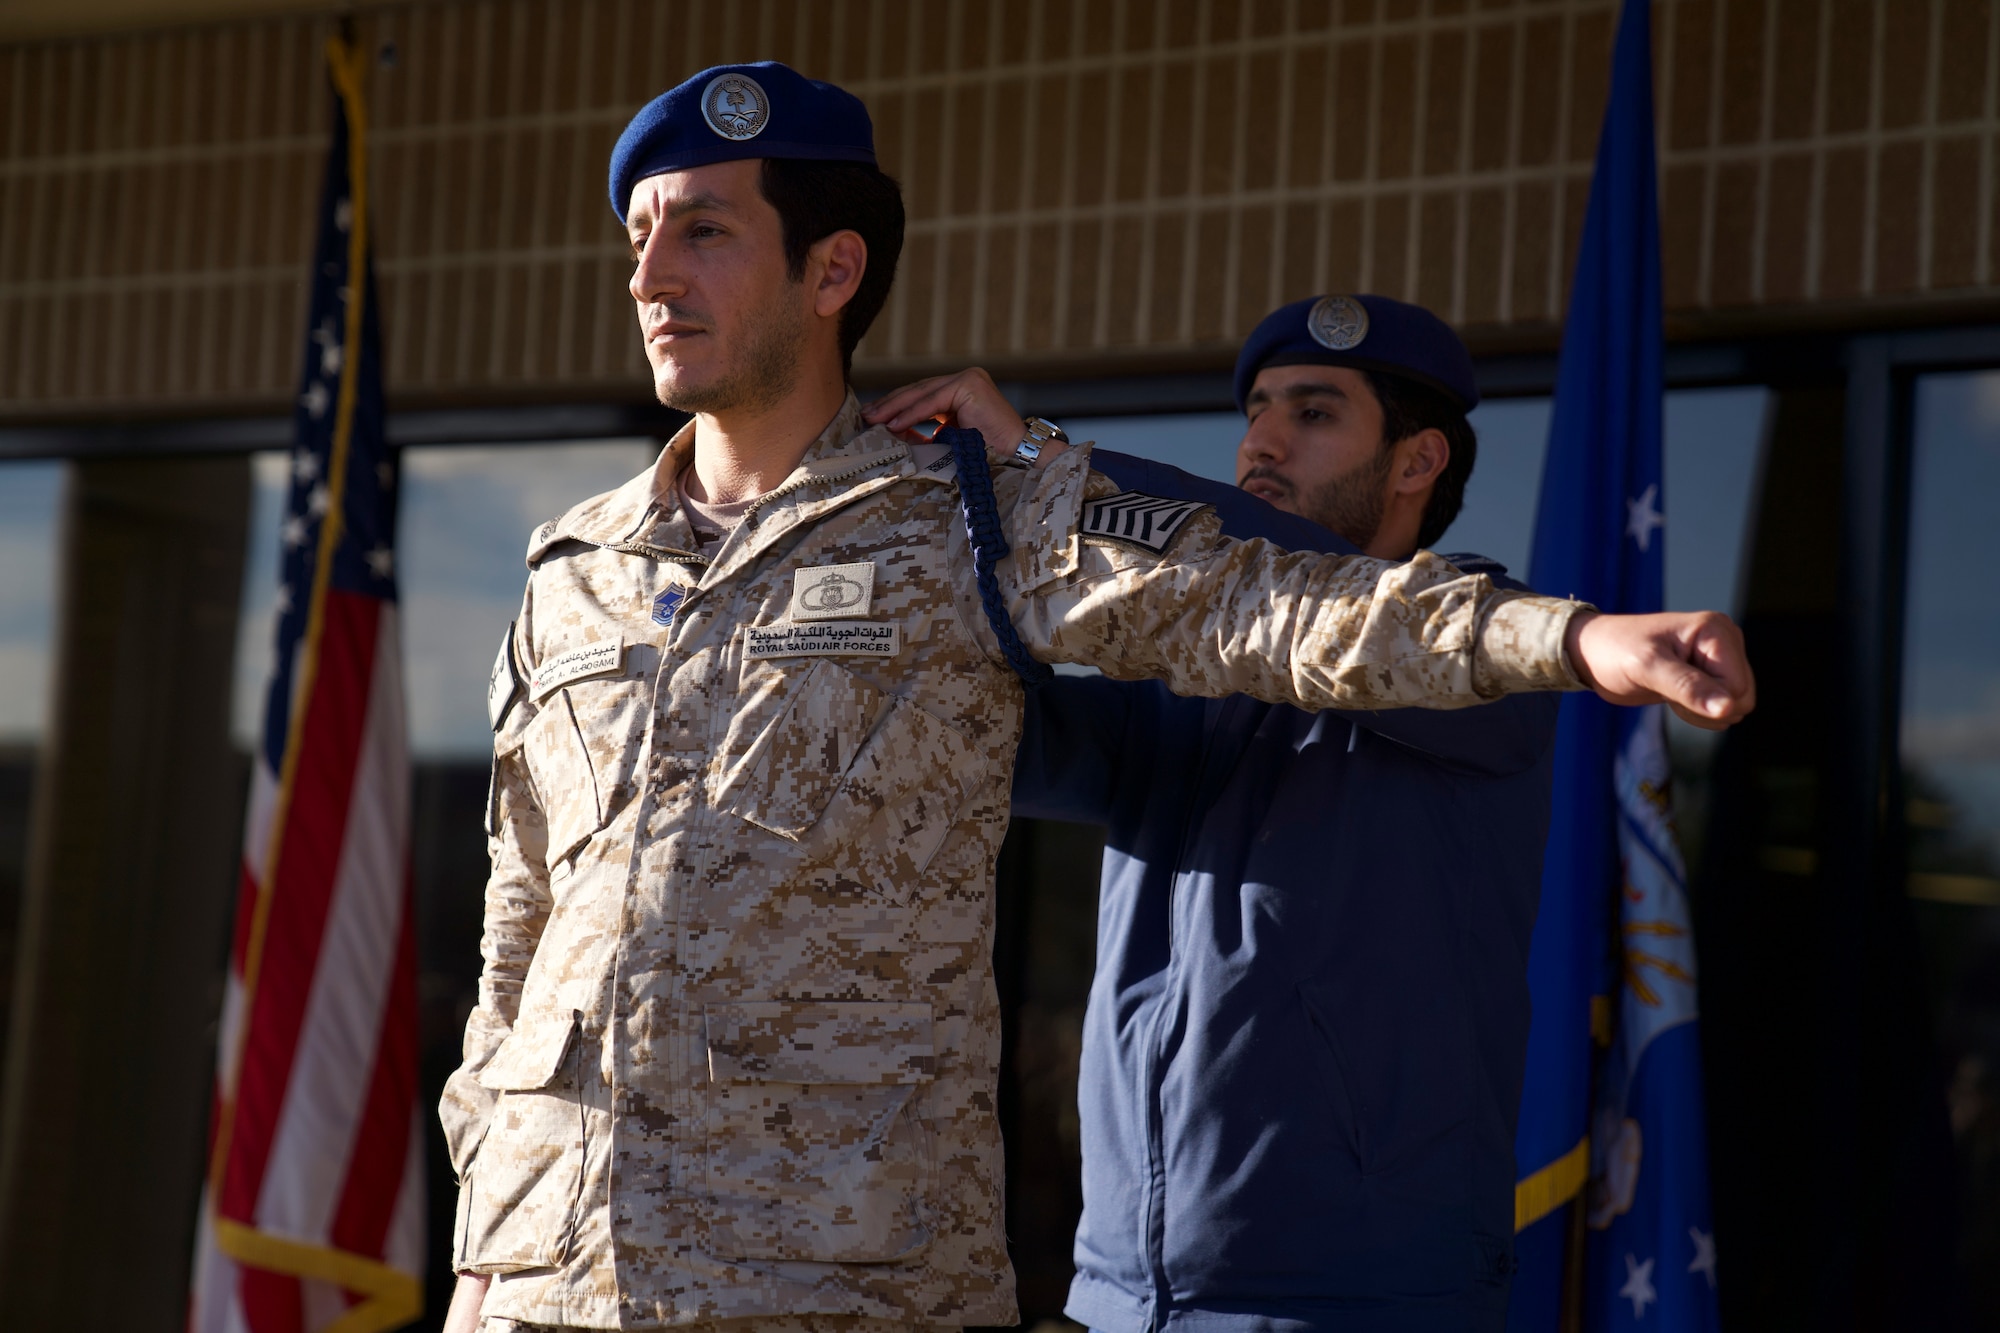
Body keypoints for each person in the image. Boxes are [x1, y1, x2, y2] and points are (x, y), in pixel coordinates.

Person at [440, 63, 1754, 1333]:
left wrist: (1579, 638)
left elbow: (1286, 606)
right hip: (595, 1272)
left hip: (854, 1279)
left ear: (831, 271)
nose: (650, 274)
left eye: (705, 230)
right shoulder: (578, 563)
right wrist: (483, 1248)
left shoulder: (978, 528)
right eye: (639, 236)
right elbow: (527, 917)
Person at [862, 295, 1659, 1333]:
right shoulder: (1175, 682)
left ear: (1416, 463)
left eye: (1313, 414)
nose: (1260, 441)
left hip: (1354, 1299)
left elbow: (1282, 566)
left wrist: (1047, 469)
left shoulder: (1489, 649)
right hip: (1119, 1297)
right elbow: (959, 729)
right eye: (1257, 411)